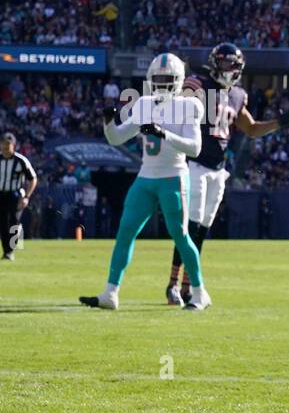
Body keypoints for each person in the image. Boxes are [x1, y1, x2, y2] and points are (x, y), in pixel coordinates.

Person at [79, 53, 211, 311]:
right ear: (150, 79)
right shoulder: (143, 104)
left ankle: (199, 292)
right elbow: (117, 138)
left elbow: (195, 148)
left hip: (173, 176)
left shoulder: (189, 105)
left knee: (181, 235)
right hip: (146, 177)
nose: (162, 83)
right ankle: (110, 293)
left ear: (179, 81)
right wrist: (108, 122)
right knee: (125, 232)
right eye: (158, 79)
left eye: (168, 79)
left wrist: (164, 133)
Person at [166, 43, 289, 306]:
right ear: (214, 63)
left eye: (233, 64)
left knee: (201, 230)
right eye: (224, 63)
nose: (229, 69)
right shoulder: (198, 84)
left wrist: (280, 123)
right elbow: (178, 103)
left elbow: (252, 129)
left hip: (218, 170)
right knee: (190, 227)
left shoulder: (237, 95)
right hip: (195, 163)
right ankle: (174, 284)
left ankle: (188, 285)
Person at [0, 132, 38, 261]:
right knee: (2, 222)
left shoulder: (21, 160)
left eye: (8, 147)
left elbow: (33, 179)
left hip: (15, 194)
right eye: (3, 146)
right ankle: (6, 251)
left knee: (13, 221)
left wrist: (27, 196)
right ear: (0, 145)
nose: (5, 150)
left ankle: (11, 249)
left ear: (13, 145)